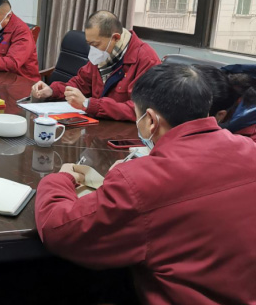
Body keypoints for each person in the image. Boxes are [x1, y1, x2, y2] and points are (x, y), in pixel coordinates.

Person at [35, 64, 256, 304]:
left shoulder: (142, 183)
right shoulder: (249, 148)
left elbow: (59, 231)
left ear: (150, 120)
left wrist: (60, 179)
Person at [31, 10, 161, 121]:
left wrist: (88, 104)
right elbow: (81, 83)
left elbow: (140, 110)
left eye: (96, 45)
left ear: (115, 38)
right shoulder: (104, 54)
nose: (93, 50)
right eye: (89, 44)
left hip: (124, 132)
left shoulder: (146, 59)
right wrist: (52, 90)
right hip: (97, 123)